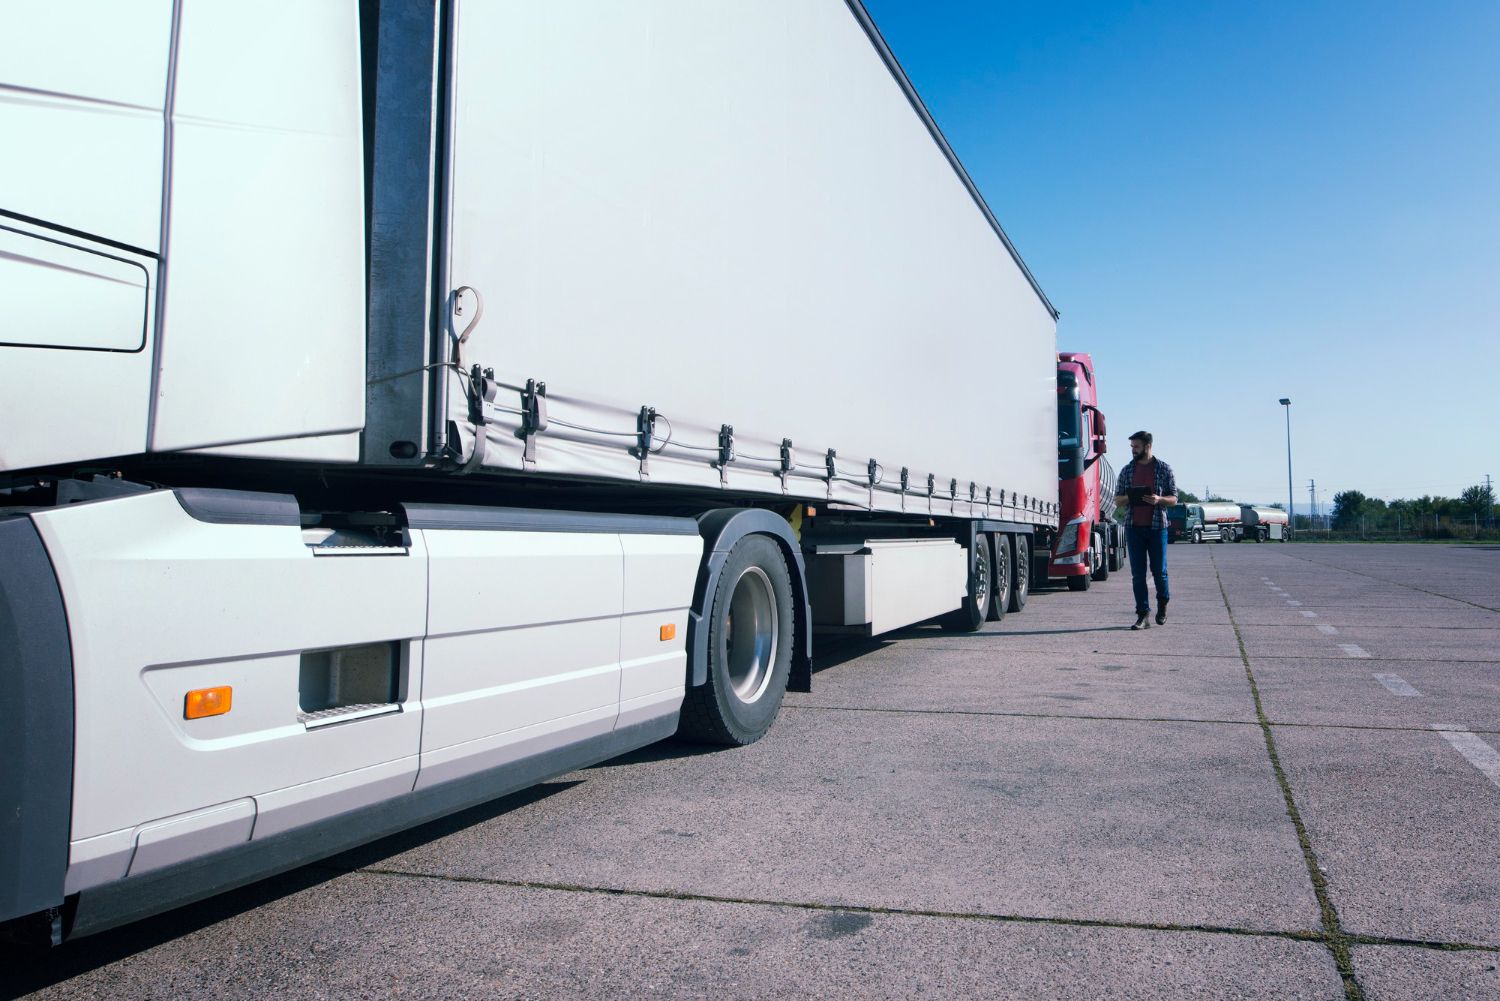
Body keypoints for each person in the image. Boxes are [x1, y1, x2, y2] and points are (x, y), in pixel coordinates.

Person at [1114, 431, 1178, 630]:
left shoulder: (1164, 469)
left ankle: (1163, 603)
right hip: (1134, 528)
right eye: (1132, 447)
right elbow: (1117, 500)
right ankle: (1143, 615)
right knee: (1137, 574)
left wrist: (1159, 500)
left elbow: (1174, 499)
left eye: (1136, 447)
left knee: (1160, 572)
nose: (1133, 450)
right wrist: (1131, 497)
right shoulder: (1127, 471)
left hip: (1157, 528)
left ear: (1148, 446)